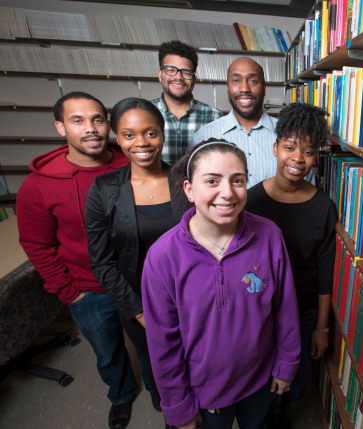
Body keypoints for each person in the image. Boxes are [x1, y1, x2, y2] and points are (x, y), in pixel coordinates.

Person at [141, 140, 301, 429]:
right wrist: (179, 408)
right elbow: (162, 343)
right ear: (189, 190)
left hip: (259, 381)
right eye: (212, 180)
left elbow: (285, 308)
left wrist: (286, 365)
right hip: (204, 393)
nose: (227, 193)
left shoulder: (269, 235)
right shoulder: (163, 257)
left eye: (237, 180)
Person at [16, 92, 138, 429]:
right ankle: (122, 395)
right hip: (88, 290)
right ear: (60, 127)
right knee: (108, 352)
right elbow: (36, 244)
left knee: (153, 344)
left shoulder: (133, 163)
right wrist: (69, 292)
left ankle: (164, 393)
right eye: (78, 120)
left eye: (98, 120)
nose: (91, 129)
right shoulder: (38, 185)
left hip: (138, 282)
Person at [85, 98, 187, 419]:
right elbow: (103, 262)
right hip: (138, 304)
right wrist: (139, 311)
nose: (141, 143)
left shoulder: (185, 183)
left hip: (190, 298)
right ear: (117, 137)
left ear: (163, 133)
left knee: (196, 364)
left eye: (150, 133)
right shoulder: (104, 189)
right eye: (129, 135)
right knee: (159, 368)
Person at [245, 103, 336, 429]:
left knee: (293, 381)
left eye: (308, 151)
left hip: (303, 311)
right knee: (258, 383)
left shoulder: (324, 206)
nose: (298, 158)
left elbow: (325, 269)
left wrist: (321, 327)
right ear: (275, 147)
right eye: (289, 147)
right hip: (257, 310)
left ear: (316, 157)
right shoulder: (250, 202)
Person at [190, 57, 313, 188]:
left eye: (253, 81)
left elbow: (305, 192)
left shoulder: (289, 135)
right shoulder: (203, 136)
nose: (244, 88)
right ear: (228, 88)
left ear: (264, 88)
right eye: (236, 80)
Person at [151, 40, 223, 164]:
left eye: (186, 72)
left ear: (194, 79)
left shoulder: (215, 117)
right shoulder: (145, 113)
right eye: (171, 70)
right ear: (160, 74)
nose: (178, 77)